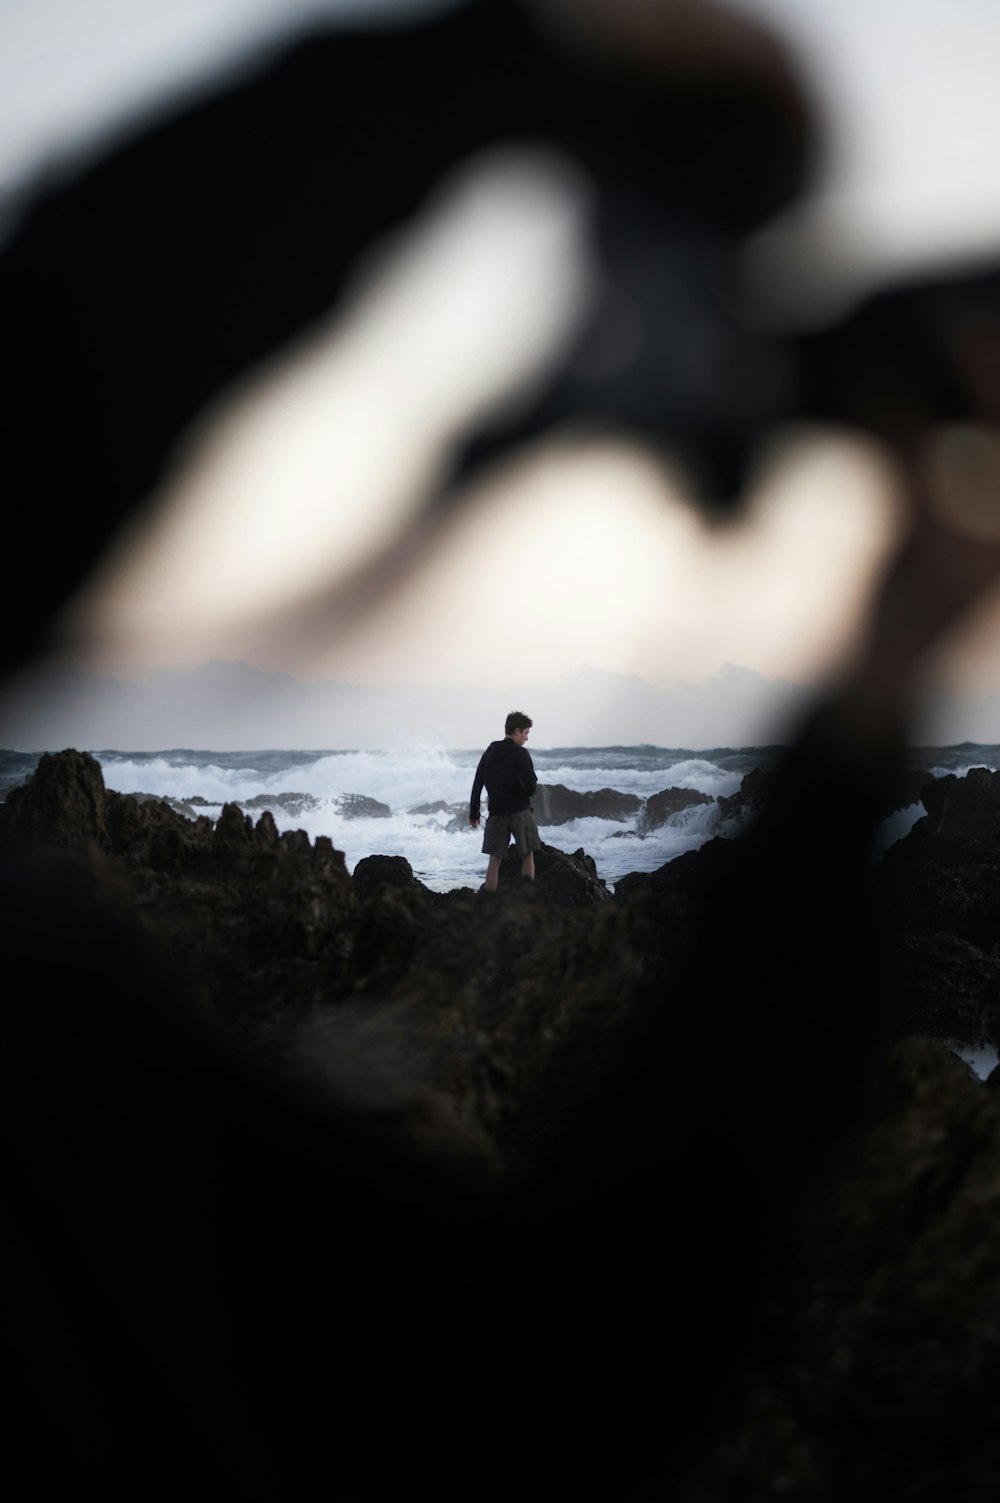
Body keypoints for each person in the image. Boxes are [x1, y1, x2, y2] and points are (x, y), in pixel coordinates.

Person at [469, 710, 541, 891]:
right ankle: (526, 901)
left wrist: (474, 812)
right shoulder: (520, 753)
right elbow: (531, 787)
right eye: (525, 733)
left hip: (496, 812)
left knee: (494, 860)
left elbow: (478, 782)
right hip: (520, 811)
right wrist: (523, 790)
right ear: (516, 731)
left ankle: (489, 902)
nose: (526, 738)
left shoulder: (490, 752)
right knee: (527, 856)